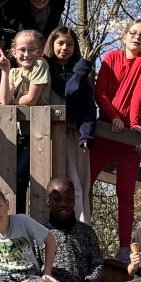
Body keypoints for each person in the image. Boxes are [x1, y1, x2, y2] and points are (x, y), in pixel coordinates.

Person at [90, 19, 141, 253]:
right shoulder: (111, 58)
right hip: (107, 129)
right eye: (132, 33)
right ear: (123, 36)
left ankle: (123, 247)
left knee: (126, 193)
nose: (136, 37)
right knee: (84, 184)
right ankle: (84, 241)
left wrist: (135, 126)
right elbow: (100, 92)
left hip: (131, 132)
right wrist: (113, 118)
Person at [0, 27, 52, 196]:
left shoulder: (40, 64)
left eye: (32, 50)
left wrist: (12, 103)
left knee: (26, 177)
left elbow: (31, 99)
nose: (26, 54)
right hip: (20, 132)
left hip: (40, 131)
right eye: (22, 50)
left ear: (39, 51)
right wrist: (5, 71)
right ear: (14, 52)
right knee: (17, 178)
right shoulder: (15, 72)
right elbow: (4, 100)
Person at [44, 27, 97, 205]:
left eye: (70, 44)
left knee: (80, 184)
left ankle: (81, 224)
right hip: (53, 133)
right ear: (52, 44)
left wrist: (87, 134)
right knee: (60, 182)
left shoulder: (80, 72)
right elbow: (67, 91)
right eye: (60, 43)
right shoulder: (47, 68)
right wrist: (82, 69)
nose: (65, 48)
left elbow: (89, 107)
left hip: (76, 134)